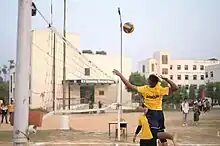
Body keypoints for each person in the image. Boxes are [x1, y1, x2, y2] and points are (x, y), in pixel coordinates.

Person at [113, 69, 178, 146]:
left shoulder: (145, 89)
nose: (148, 81)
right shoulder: (160, 89)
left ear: (151, 82)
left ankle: (171, 136)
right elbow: (175, 88)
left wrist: (120, 75)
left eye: (149, 80)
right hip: (160, 113)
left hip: (152, 113)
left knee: (153, 135)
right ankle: (169, 139)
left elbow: (129, 85)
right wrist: (167, 80)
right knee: (161, 137)